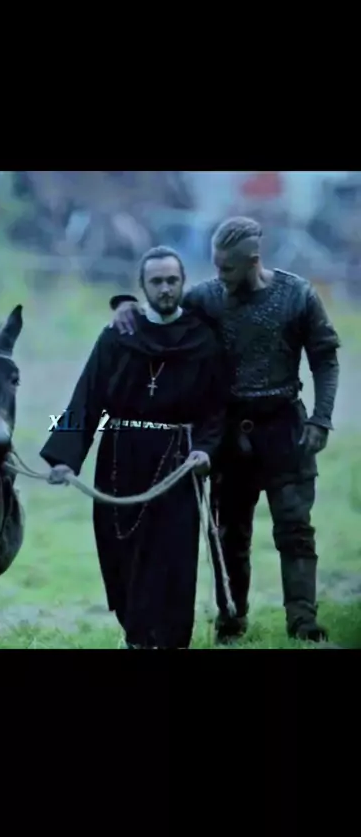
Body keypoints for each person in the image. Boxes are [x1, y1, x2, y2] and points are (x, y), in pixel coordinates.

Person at [110, 217, 340, 645]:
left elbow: (325, 357)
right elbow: (163, 309)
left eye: (228, 268)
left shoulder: (297, 296)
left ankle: (303, 622)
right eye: (216, 266)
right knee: (229, 533)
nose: (219, 275)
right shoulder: (208, 298)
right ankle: (232, 620)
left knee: (295, 528)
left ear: (253, 261)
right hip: (229, 432)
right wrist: (125, 303)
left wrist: (321, 418)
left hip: (284, 426)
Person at [40, 246, 227, 649]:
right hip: (119, 458)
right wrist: (63, 457)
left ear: (183, 283)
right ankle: (136, 636)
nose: (165, 289)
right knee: (121, 551)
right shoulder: (118, 335)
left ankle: (171, 640)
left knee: (172, 556)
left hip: (177, 460)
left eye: (172, 280)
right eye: (156, 281)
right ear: (142, 286)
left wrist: (205, 449)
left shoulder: (203, 339)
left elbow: (215, 410)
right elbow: (84, 399)